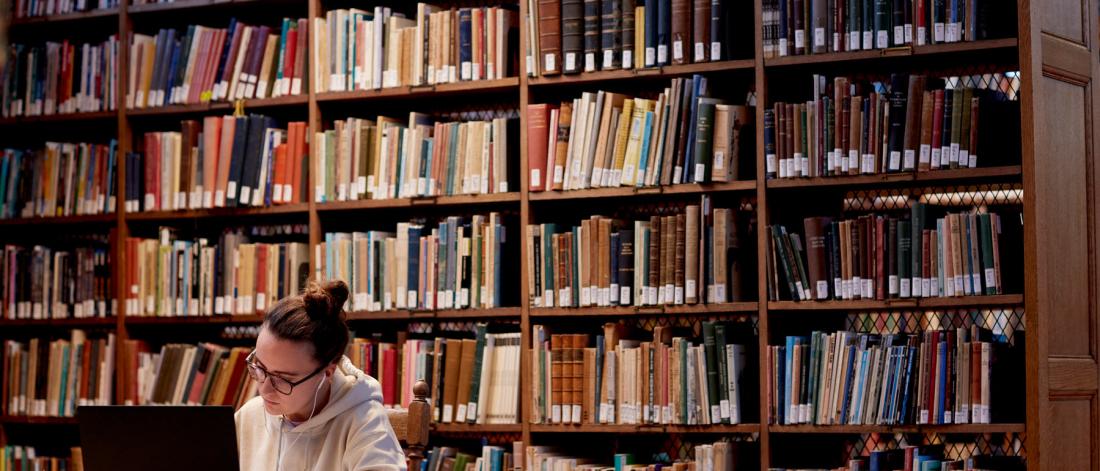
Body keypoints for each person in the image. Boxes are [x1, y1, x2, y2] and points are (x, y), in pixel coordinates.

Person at [235, 280, 407, 471]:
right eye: (260, 367)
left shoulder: (365, 424)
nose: (264, 389)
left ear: (327, 372)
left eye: (282, 379)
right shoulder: (249, 416)